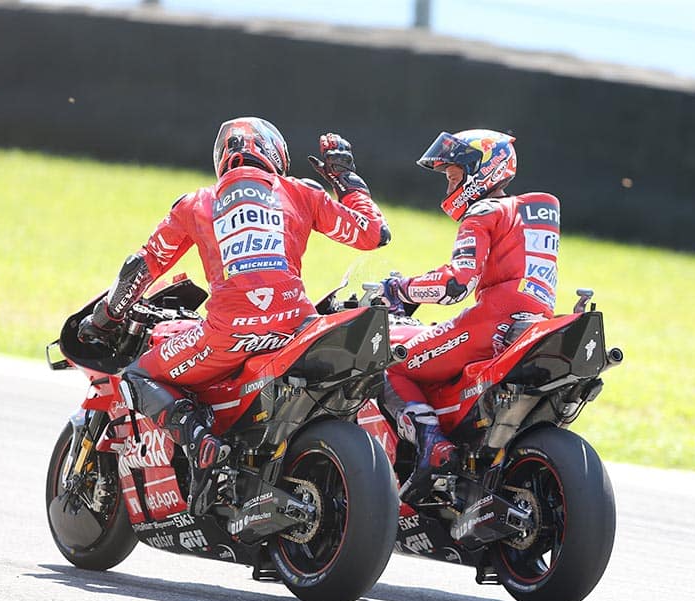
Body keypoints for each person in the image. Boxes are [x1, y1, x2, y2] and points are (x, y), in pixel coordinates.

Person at [78, 117, 390, 515]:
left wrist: (106, 316)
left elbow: (141, 266)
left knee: (137, 375)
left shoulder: (195, 203)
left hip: (226, 336)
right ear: (276, 154)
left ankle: (198, 441)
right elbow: (374, 234)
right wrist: (345, 177)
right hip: (297, 328)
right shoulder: (302, 192)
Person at [380, 129, 560, 504]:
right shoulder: (540, 210)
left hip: (492, 322)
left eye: (454, 175)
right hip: (538, 325)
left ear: (484, 169)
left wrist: (400, 289)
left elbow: (456, 284)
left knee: (390, 364)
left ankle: (431, 443)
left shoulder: (484, 210)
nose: (450, 186)